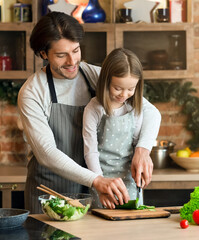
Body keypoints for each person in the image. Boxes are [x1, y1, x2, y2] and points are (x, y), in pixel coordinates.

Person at [17, 12, 161, 213]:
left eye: (76, 50)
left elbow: (150, 111)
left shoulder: (94, 74)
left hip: (92, 192)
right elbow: (46, 153)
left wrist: (143, 149)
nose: (72, 61)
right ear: (43, 54)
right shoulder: (32, 92)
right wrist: (96, 180)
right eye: (61, 55)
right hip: (52, 192)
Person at [83, 48, 157, 209]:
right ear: (106, 81)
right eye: (118, 88)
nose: (124, 94)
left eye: (131, 89)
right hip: (102, 181)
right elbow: (90, 151)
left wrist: (142, 160)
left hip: (129, 182)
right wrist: (99, 182)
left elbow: (137, 142)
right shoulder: (93, 109)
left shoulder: (135, 107)